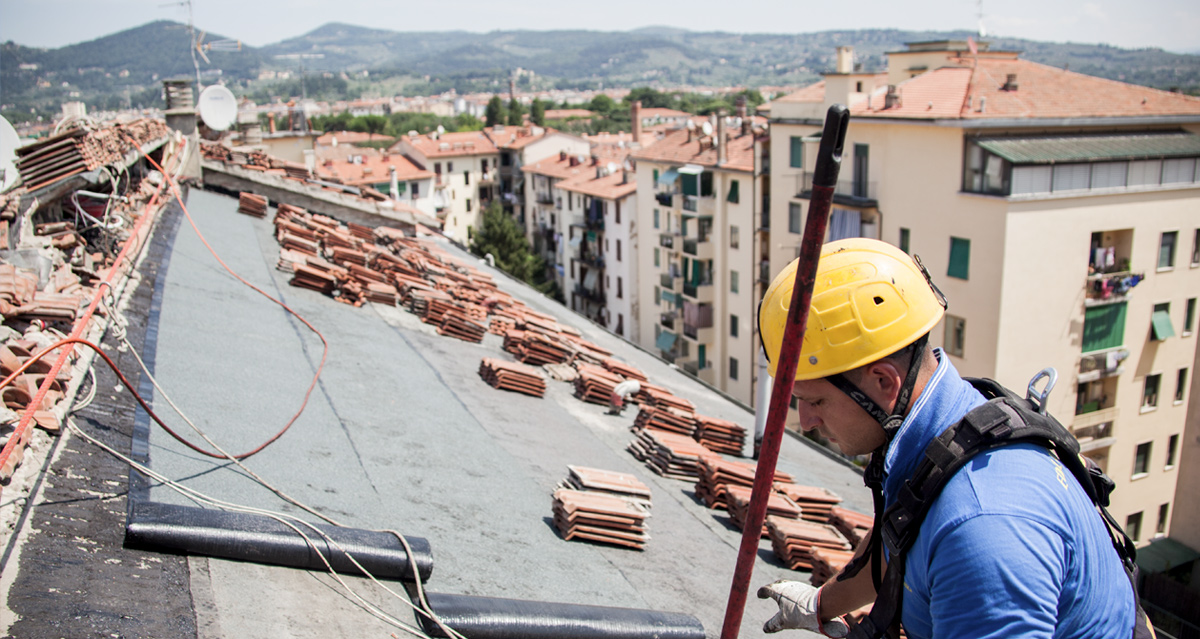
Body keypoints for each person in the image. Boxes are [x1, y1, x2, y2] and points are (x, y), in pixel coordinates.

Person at [755, 238, 1140, 638]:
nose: (806, 420)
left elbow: (946, 535)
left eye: (815, 399)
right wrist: (818, 606)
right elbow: (901, 537)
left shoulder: (980, 529)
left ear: (885, 382)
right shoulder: (947, 434)